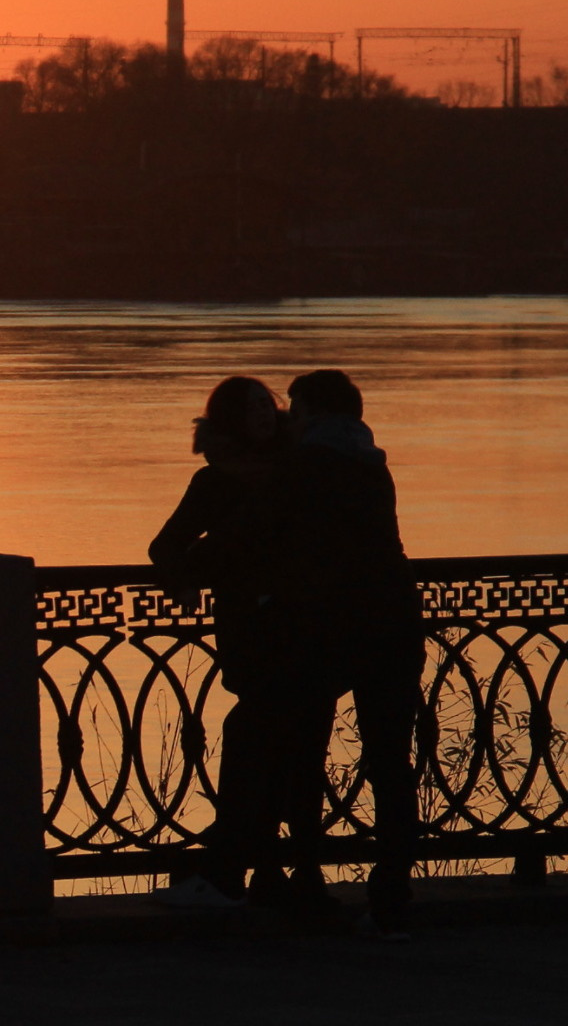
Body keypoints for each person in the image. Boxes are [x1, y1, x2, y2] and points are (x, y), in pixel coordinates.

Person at [146, 375, 329, 916]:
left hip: (302, 629)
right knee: (267, 743)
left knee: (291, 749)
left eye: (266, 404)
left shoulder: (303, 472)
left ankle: (276, 872)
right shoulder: (218, 482)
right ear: (228, 420)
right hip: (253, 633)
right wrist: (184, 576)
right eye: (250, 407)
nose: (264, 414)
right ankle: (263, 871)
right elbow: (165, 545)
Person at [275, 369, 424, 937]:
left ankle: (307, 883)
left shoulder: (306, 465)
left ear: (310, 410)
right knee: (390, 761)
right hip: (394, 618)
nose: (290, 418)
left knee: (305, 753)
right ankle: (392, 898)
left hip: (328, 623)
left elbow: (270, 533)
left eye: (294, 407)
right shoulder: (371, 460)